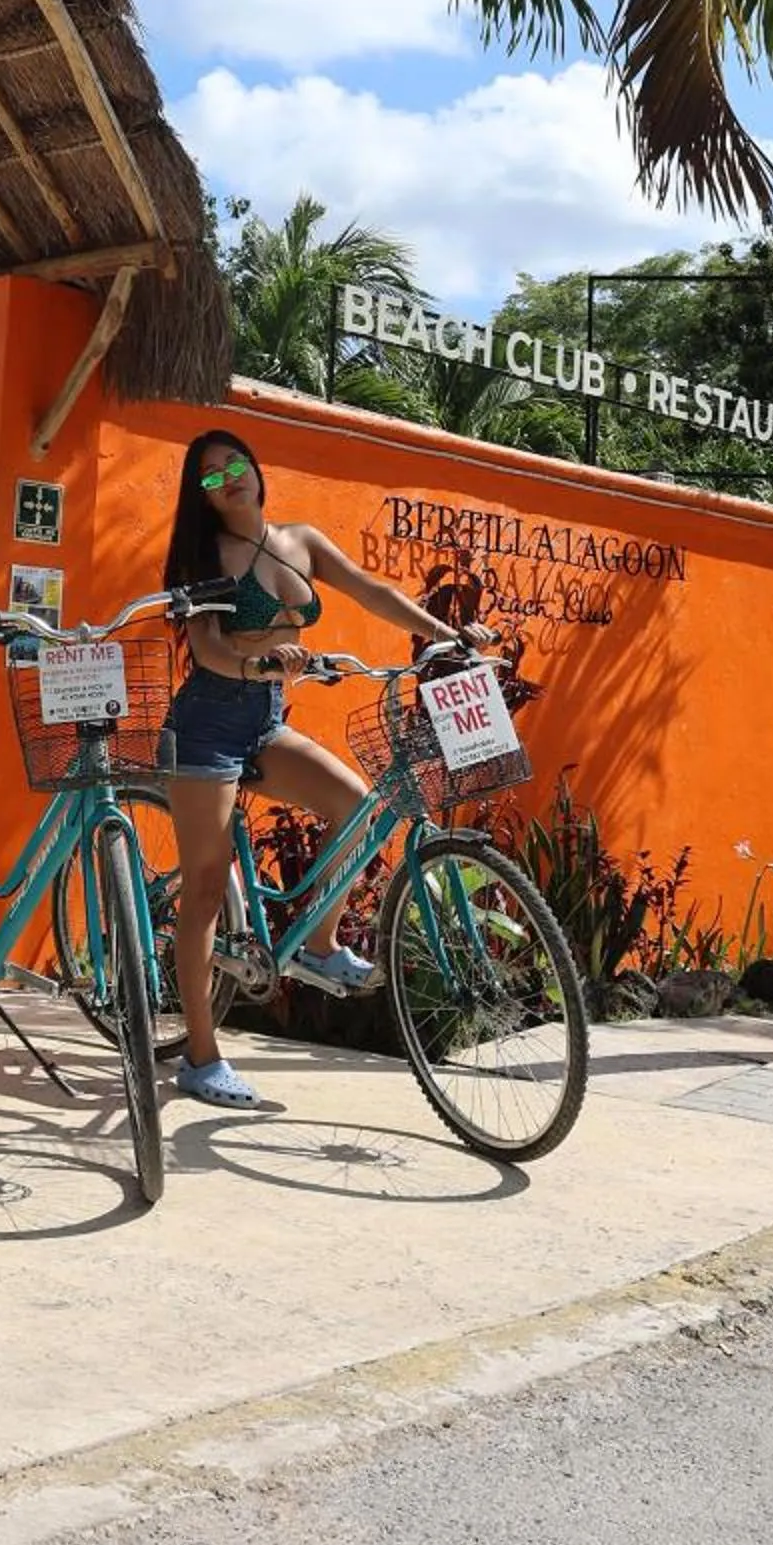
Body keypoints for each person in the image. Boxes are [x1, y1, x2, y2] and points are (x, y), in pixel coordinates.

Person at [162, 427, 485, 1110]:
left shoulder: (301, 541)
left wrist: (447, 634)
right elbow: (208, 648)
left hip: (267, 718)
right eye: (211, 477)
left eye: (235, 466)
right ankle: (200, 1055)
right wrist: (255, 663)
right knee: (206, 889)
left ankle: (318, 942)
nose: (228, 480)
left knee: (359, 807)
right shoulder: (206, 554)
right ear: (202, 495)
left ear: (256, 467)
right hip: (207, 724)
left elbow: (370, 590)